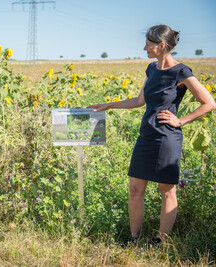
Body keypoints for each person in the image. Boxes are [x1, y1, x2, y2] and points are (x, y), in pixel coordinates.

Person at [88, 24, 216, 244]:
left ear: (162, 45)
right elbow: (139, 101)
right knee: (135, 188)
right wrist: (109, 105)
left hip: (167, 138)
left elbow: (209, 103)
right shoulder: (151, 69)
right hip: (146, 136)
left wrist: (180, 120)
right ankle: (134, 239)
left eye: (149, 43)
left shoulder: (181, 72)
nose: (144, 47)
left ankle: (161, 241)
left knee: (166, 191)